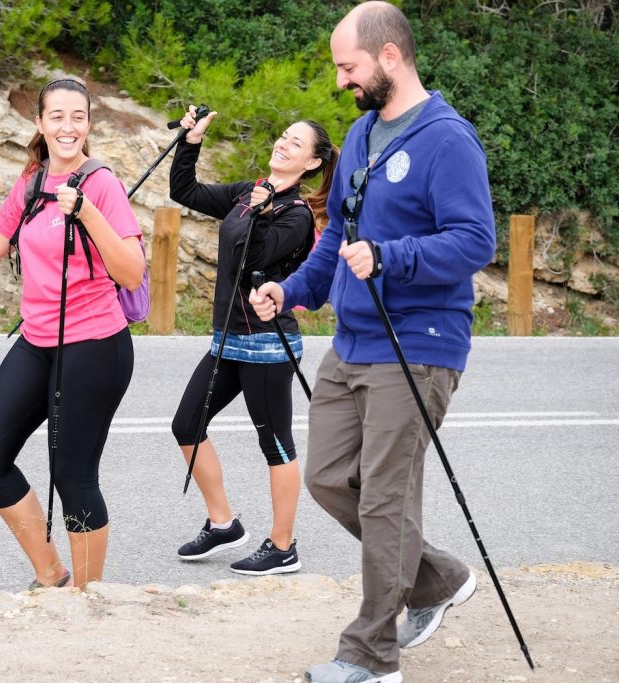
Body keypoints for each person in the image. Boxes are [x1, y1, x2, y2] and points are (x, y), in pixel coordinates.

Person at [250, 3, 496, 681]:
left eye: (347, 65)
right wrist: (291, 290)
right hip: (354, 342)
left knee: (386, 496)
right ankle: (437, 578)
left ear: (389, 57)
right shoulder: (360, 135)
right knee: (329, 476)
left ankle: (370, 656)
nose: (340, 81)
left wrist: (393, 257)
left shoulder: (449, 140)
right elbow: (336, 236)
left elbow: (477, 240)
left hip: (420, 344)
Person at [0, 78, 145, 591]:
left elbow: (131, 272)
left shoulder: (101, 182)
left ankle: (88, 599)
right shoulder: (34, 180)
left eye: (78, 116)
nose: (68, 126)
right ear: (40, 124)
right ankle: (51, 575)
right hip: (38, 339)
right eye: (57, 116)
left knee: (73, 476)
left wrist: (86, 213)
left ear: (89, 123)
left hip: (94, 346)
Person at [168, 104, 338, 575]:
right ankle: (224, 524)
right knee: (186, 425)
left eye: (295, 142)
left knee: (275, 444)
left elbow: (253, 257)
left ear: (312, 164)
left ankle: (283, 546)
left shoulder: (296, 214)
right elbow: (184, 190)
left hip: (267, 344)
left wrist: (261, 210)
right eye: (283, 134)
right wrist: (191, 142)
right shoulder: (249, 193)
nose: (282, 143)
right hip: (227, 339)